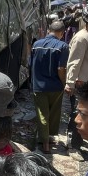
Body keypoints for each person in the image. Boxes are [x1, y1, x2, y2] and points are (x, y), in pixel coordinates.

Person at [64, 4, 88, 152]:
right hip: (81, 84)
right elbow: (74, 62)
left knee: (86, 113)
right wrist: (70, 83)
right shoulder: (81, 37)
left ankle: (78, 141)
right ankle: (73, 146)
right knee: (77, 113)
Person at [30, 21, 70, 153]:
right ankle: (49, 138)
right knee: (54, 113)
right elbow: (61, 68)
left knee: (42, 114)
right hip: (56, 86)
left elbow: (30, 64)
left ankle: (44, 141)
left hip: (38, 86)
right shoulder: (63, 46)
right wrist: (64, 83)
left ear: (49, 30)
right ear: (62, 33)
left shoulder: (36, 45)